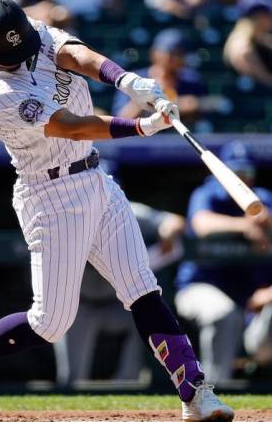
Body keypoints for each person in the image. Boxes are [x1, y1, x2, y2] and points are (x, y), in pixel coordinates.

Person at [0, 0, 233, 422]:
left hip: (95, 179)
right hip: (50, 196)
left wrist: (126, 81)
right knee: (50, 322)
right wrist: (141, 126)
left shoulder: (27, 30)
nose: (23, 54)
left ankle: (195, 393)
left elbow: (74, 54)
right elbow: (71, 126)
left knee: (142, 288)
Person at [53, 161, 187, 385]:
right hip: (79, 307)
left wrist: (166, 230)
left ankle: (127, 383)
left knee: (147, 314)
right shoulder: (70, 216)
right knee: (71, 380)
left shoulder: (128, 210)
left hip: (118, 306)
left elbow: (175, 221)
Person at [175, 147, 272, 384]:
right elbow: (201, 224)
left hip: (248, 299)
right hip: (199, 285)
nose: (243, 177)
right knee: (223, 313)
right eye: (236, 171)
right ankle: (215, 390)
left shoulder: (261, 198)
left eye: (247, 171)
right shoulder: (208, 193)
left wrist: (270, 222)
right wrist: (244, 227)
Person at [112, 28, 206, 122]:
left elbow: (197, 109)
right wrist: (146, 98)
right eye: (167, 53)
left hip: (176, 135)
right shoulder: (133, 80)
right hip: (142, 135)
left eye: (177, 53)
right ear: (153, 53)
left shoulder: (191, 80)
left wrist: (178, 104)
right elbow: (120, 121)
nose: (170, 58)